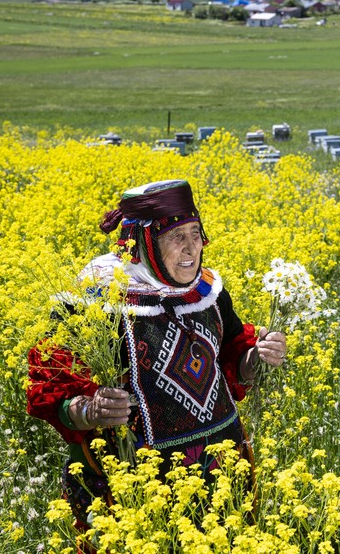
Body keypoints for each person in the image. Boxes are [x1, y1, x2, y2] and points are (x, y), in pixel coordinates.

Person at [26, 179, 287, 531]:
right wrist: (92, 409)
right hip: (136, 488)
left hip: (221, 473)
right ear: (144, 244)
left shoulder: (207, 291)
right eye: (177, 237)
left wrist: (258, 356)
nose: (191, 248)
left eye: (195, 233)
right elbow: (53, 392)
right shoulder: (94, 302)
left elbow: (232, 360)